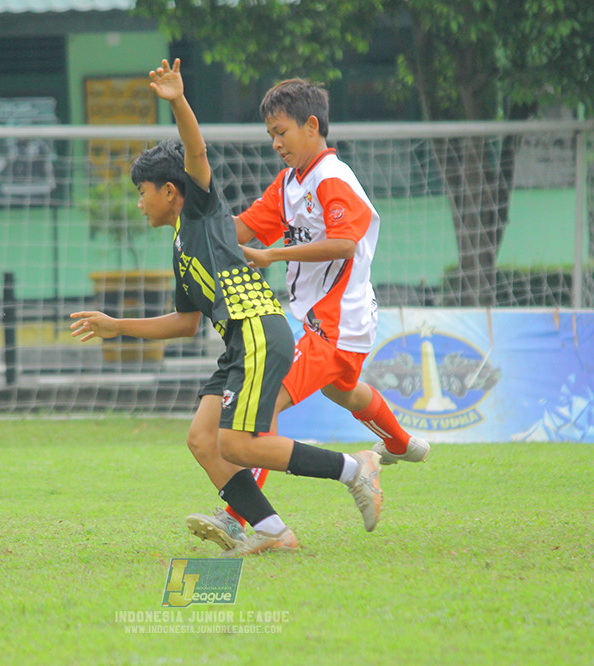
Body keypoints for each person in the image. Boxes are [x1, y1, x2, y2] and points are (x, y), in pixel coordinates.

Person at [70, 58, 384, 556]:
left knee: (237, 444)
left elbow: (194, 149)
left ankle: (355, 468)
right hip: (236, 345)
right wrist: (116, 326)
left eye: (141, 193)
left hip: (260, 330)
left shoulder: (201, 210)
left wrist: (177, 100)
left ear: (170, 192)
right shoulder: (180, 247)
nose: (138, 203)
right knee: (201, 439)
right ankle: (274, 532)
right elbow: (185, 323)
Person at [186, 77, 431, 551]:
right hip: (318, 320)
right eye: (271, 135)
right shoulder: (291, 182)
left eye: (281, 132)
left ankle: (239, 517)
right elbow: (243, 228)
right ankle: (397, 445)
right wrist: (194, 225)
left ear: (311, 125)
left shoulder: (331, 178)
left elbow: (344, 243)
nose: (276, 143)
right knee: (344, 390)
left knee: (261, 406)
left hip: (334, 323)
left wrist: (272, 256)